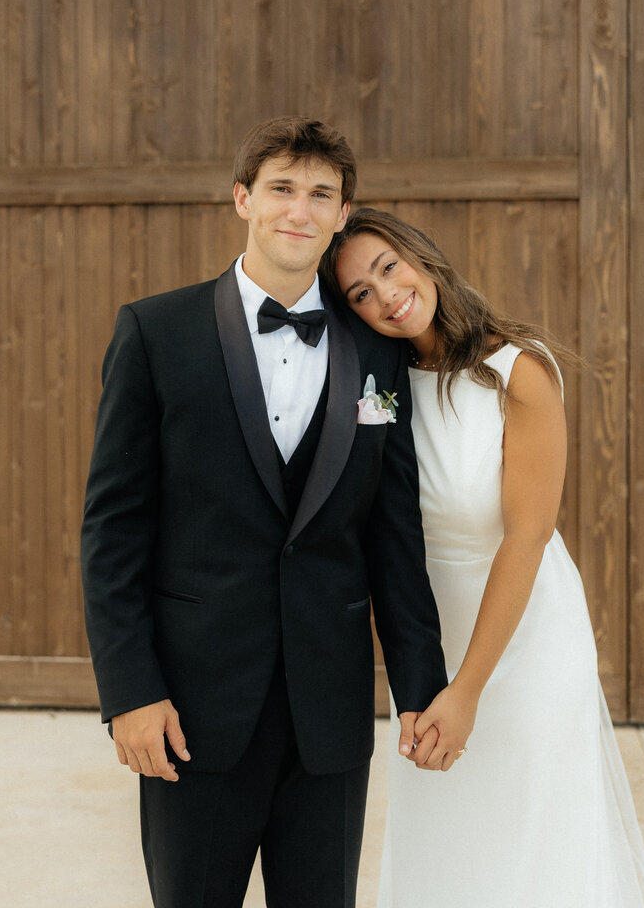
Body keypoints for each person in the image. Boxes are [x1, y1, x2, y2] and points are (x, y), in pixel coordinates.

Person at [80, 120, 446, 908]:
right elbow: (113, 532)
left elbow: (394, 535)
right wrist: (129, 691)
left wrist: (420, 683)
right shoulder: (155, 332)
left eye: (321, 195)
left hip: (330, 713)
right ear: (242, 197)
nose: (300, 211)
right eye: (282, 188)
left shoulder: (377, 351)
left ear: (343, 214)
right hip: (190, 710)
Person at [324, 207, 644, 908]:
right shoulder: (373, 384)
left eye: (388, 267)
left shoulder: (517, 370)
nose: (385, 295)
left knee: (538, 831)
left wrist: (467, 692)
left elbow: (528, 536)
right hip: (429, 639)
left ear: (421, 257)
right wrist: (427, 681)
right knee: (443, 831)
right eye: (360, 292)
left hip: (525, 633)